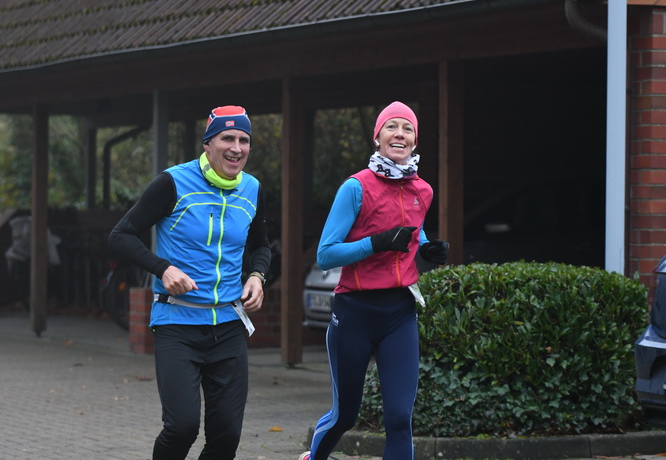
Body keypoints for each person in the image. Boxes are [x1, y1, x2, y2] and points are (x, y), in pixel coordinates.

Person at [107, 105, 271, 460]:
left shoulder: (252, 188)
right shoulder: (173, 182)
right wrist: (163, 269)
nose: (237, 148)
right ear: (208, 144)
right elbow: (121, 235)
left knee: (226, 435)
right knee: (182, 427)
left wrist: (257, 276)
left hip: (228, 325)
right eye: (227, 138)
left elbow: (261, 245)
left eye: (244, 140)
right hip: (177, 323)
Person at [301, 101, 449, 460]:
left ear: (415, 141)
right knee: (345, 416)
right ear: (377, 136)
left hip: (399, 313)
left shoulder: (423, 190)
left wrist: (426, 247)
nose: (399, 134)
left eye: (407, 129)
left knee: (399, 418)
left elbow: (413, 230)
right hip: (354, 312)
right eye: (391, 127)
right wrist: (375, 243)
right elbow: (326, 254)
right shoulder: (356, 187)